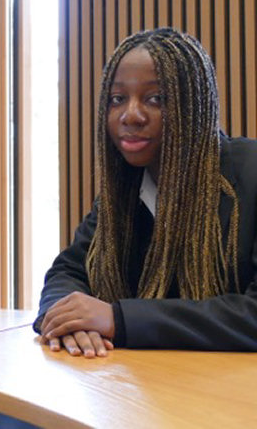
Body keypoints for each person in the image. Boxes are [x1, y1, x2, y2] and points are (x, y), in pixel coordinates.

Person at [34, 27, 257, 357]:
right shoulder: (123, 188)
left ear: (193, 107)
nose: (131, 115)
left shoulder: (249, 173)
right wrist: (68, 320)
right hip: (140, 390)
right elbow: (68, 271)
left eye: (156, 99)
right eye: (117, 99)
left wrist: (118, 319)